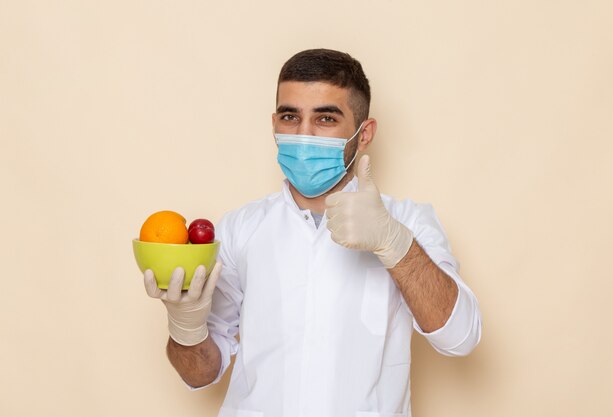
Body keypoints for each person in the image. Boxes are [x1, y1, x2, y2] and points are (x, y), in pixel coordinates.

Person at [144, 48, 482, 417]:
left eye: (325, 119)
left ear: (364, 133)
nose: (303, 135)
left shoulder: (409, 222)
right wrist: (185, 327)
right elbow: (200, 375)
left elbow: (460, 337)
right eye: (290, 117)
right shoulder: (240, 229)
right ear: (274, 124)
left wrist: (394, 243)